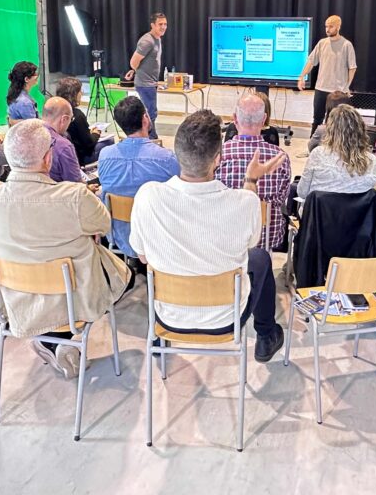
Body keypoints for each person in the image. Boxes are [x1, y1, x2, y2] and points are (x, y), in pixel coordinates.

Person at [0, 120, 130, 379]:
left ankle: (51, 340)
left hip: (18, 300)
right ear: (48, 158)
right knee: (123, 274)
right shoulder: (74, 197)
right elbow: (104, 225)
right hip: (75, 302)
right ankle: (56, 339)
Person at [129, 110, 286, 362]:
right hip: (226, 318)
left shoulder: (147, 195)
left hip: (167, 316)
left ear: (176, 153)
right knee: (260, 258)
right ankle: (266, 335)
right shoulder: (245, 202)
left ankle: (157, 339)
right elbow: (250, 243)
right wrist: (251, 179)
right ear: (218, 159)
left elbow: (143, 257)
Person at [97, 96, 179, 260]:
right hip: (157, 238)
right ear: (145, 119)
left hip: (118, 236)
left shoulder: (105, 155)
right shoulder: (167, 159)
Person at [216, 93, 292, 252]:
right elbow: (281, 200)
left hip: (226, 235)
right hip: (267, 235)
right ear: (264, 120)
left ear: (235, 119)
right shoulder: (280, 158)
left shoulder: (218, 156)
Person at [297, 105, 376, 199]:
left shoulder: (318, 154)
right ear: (361, 129)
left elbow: (302, 193)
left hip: (320, 208)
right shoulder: (372, 161)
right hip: (357, 209)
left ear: (330, 130)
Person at [297, 15, 357, 136]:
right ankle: (313, 144)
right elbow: (311, 61)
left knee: (335, 121)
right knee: (317, 119)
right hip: (321, 88)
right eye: (326, 26)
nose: (327, 29)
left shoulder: (346, 45)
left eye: (331, 26)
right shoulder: (322, 43)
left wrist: (347, 86)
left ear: (338, 27)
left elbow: (352, 67)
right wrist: (301, 76)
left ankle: (333, 144)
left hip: (338, 91)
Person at [124, 11, 166, 141]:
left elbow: (144, 62)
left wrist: (135, 71)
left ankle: (148, 137)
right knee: (150, 112)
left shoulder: (157, 39)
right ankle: (151, 139)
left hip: (150, 83)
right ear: (152, 25)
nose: (163, 27)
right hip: (145, 83)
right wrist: (137, 70)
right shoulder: (147, 41)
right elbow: (133, 62)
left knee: (150, 111)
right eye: (160, 24)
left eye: (165, 24)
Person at [55, 76, 103, 165]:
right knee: (109, 142)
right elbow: (89, 144)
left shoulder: (54, 111)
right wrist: (96, 134)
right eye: (80, 91)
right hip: (79, 157)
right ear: (74, 94)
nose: (82, 93)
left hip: (60, 155)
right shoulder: (77, 115)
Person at [41, 96, 82, 184]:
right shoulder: (64, 146)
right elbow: (76, 185)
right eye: (71, 119)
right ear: (64, 119)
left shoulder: (27, 134)